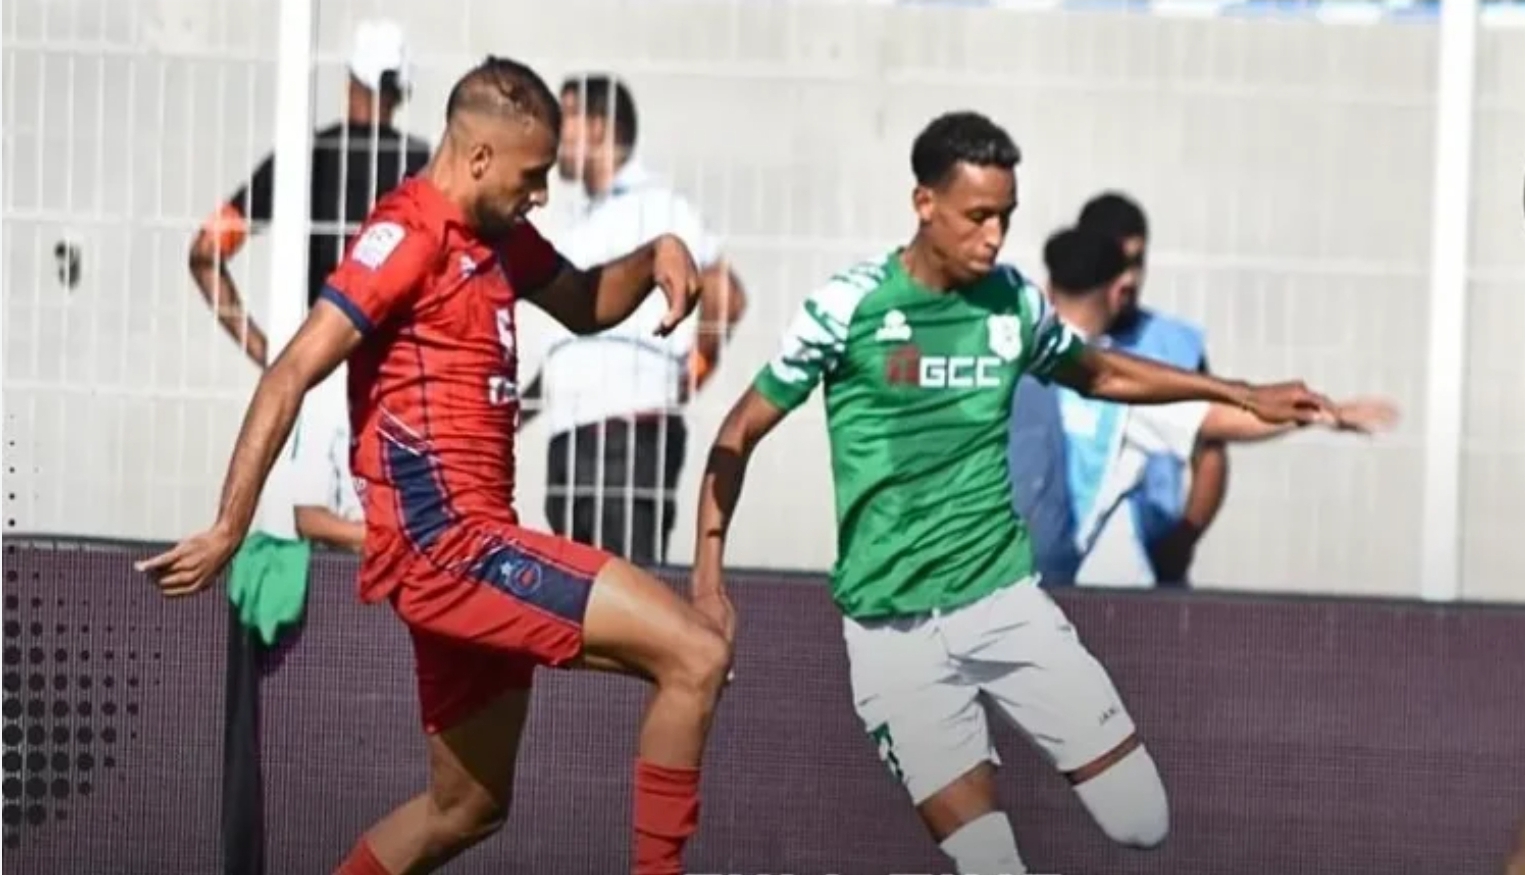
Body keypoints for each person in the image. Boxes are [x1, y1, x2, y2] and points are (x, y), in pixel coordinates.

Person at [690, 111, 1370, 875]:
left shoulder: (1012, 305)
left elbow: (1101, 372)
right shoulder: (847, 308)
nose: (994, 237)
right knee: (989, 862)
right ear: (923, 203)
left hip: (1004, 608)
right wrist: (708, 579)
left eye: (1005, 217)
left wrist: (1241, 391)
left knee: (1140, 820)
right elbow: (737, 432)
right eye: (977, 216)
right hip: (891, 635)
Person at [139, 56, 734, 875]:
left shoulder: (500, 238)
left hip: (471, 545)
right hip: (449, 547)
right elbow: (291, 370)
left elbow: (584, 302)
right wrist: (229, 524)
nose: (542, 194)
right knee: (695, 653)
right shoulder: (408, 236)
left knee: (466, 807)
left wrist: (656, 251)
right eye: (532, 176)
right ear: (480, 156)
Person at [1022, 227, 1394, 586]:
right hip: (1083, 590)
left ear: (1048, 288)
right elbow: (1215, 420)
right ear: (1119, 291)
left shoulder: (1008, 361)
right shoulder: (1115, 389)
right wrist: (1319, 413)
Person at [519, 72, 746, 565]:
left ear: (599, 126)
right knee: (577, 589)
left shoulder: (657, 205)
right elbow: (568, 344)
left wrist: (695, 368)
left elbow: (726, 293)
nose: (555, 134)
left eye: (567, 117)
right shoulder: (582, 220)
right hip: (570, 435)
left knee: (626, 582)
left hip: (625, 431)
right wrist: (517, 410)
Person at [188, 18, 430, 369]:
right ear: (402, 91)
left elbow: (204, 251)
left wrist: (269, 355)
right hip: (399, 370)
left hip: (319, 363)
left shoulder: (306, 157)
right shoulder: (423, 166)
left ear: (350, 83)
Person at [1078, 192, 1224, 585]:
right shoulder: (1050, 338)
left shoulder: (1176, 345)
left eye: (1137, 262)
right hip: (1062, 567)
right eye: (1117, 264)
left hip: (1147, 572)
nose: (1129, 278)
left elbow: (1210, 454)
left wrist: (1184, 538)